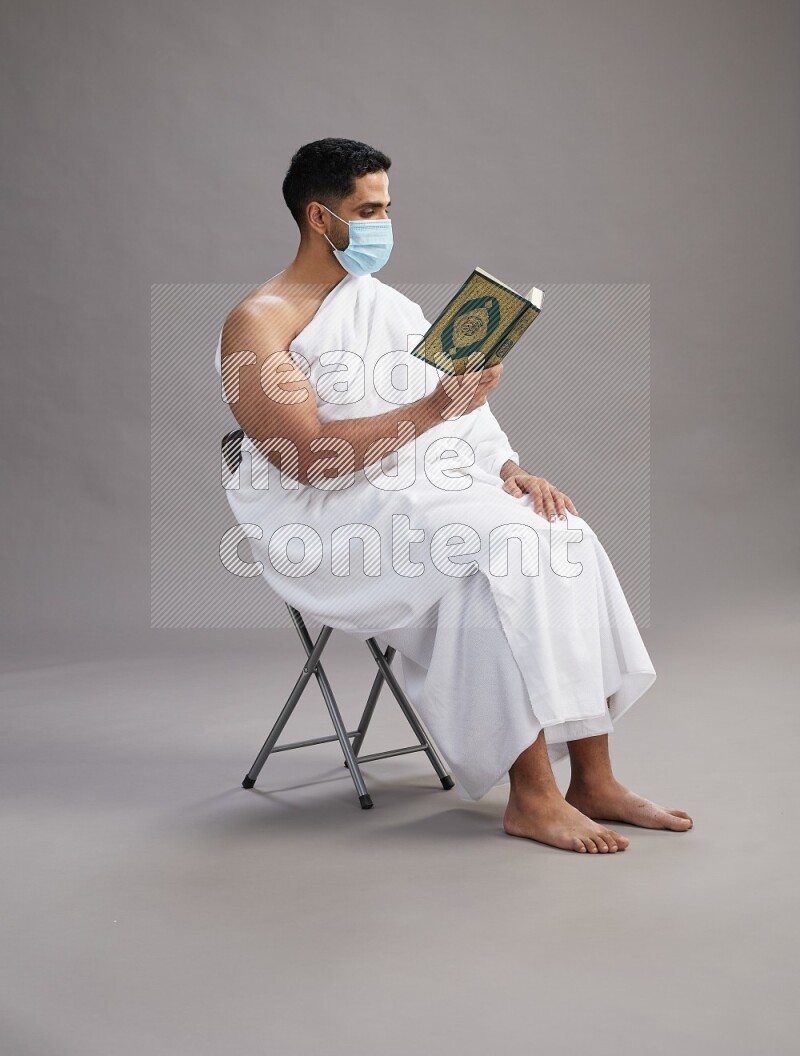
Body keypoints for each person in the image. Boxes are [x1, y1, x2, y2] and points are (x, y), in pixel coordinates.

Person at [215, 137, 693, 854]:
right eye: (367, 210)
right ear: (320, 217)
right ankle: (530, 796)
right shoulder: (259, 321)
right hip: (325, 514)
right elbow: (308, 458)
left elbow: (462, 417)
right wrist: (438, 409)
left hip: (418, 486)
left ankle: (593, 779)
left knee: (559, 531)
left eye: (386, 207)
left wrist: (509, 471)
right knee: (491, 554)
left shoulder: (389, 307)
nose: (383, 223)